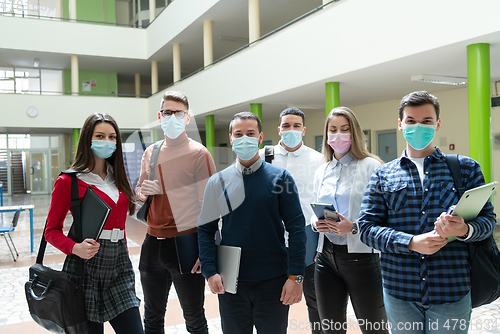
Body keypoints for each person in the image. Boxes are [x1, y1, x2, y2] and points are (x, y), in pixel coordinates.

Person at [358, 91, 496, 334]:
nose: (418, 127)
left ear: (437, 124)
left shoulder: (466, 168)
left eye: (426, 121)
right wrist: (410, 242)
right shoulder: (383, 174)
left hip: (451, 287)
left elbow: (487, 222)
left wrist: (464, 229)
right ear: (400, 124)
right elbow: (367, 229)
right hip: (400, 289)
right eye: (410, 121)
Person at [198, 111, 306, 334]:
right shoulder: (217, 182)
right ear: (231, 138)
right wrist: (210, 270)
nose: (244, 138)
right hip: (231, 283)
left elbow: (296, 230)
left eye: (250, 133)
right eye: (239, 133)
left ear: (260, 138)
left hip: (273, 282)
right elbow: (205, 229)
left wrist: (296, 276)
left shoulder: (281, 178)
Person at [45, 113, 144, 334]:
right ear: (88, 139)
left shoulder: (117, 176)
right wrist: (74, 248)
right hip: (85, 266)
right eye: (100, 136)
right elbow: (51, 231)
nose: (107, 142)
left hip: (119, 264)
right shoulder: (68, 181)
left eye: (112, 137)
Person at [135, 91, 215, 334]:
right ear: (160, 116)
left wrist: (206, 249)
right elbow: (139, 191)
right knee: (152, 316)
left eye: (178, 113)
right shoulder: (151, 152)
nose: (172, 117)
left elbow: (209, 205)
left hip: (186, 243)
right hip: (152, 243)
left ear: (187, 118)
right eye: (167, 112)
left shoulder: (199, 153)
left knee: (194, 317)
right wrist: (143, 191)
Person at [311, 107, 388, 334]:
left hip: (362, 259)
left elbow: (385, 217)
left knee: (374, 328)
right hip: (326, 257)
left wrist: (353, 227)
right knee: (331, 329)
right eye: (332, 130)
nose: (338, 135)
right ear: (326, 135)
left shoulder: (372, 167)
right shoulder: (322, 170)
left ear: (354, 133)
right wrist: (316, 223)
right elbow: (314, 207)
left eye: (345, 129)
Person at [258, 107, 324, 333]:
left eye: (296, 126)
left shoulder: (317, 160)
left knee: (316, 301)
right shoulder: (262, 157)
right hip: (271, 240)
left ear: (304, 130)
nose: (291, 130)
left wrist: (320, 243)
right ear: (279, 129)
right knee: (274, 303)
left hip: (307, 237)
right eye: (286, 125)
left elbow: (321, 202)